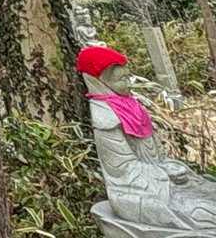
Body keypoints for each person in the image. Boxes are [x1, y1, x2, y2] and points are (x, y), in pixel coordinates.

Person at [79, 44, 216, 234]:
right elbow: (121, 170)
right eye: (121, 80)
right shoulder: (105, 116)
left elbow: (157, 155)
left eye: (128, 77)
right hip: (136, 190)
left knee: (209, 190)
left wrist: (170, 167)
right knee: (204, 211)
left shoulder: (132, 106)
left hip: (161, 178)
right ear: (98, 82)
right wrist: (162, 172)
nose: (129, 84)